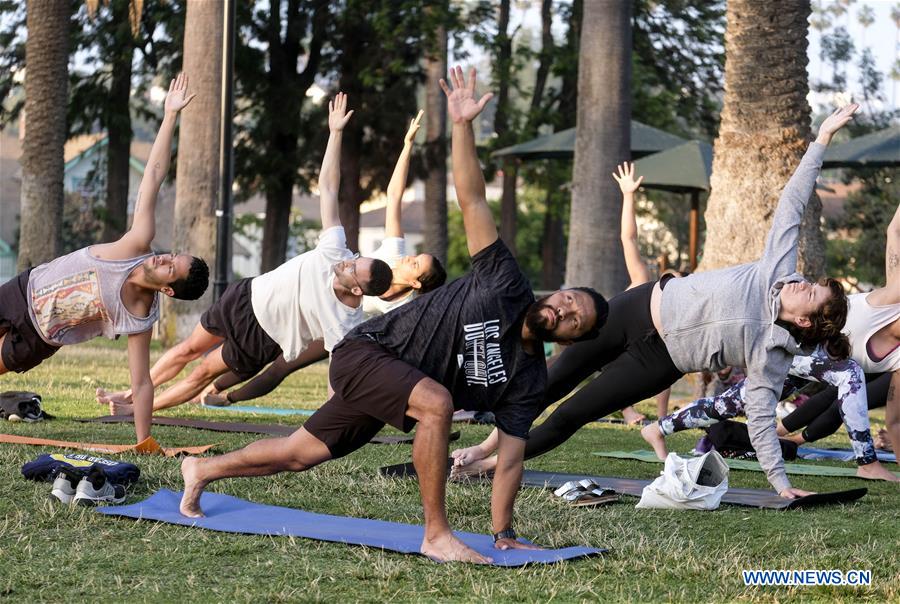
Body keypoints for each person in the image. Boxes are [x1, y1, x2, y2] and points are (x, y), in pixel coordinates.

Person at [177, 67, 608, 564]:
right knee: (437, 403)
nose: (564, 311)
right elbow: (471, 198)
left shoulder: (528, 382)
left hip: (392, 386)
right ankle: (436, 534)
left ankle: (200, 472)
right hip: (368, 354)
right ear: (558, 293)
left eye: (576, 320)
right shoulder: (504, 282)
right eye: (569, 299)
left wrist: (504, 530)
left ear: (572, 340)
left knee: (299, 453)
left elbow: (509, 459)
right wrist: (463, 128)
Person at [452, 104, 858, 498]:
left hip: (659, 362)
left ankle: (487, 468)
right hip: (638, 308)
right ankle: (485, 447)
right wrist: (821, 138)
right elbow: (793, 201)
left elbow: (762, 420)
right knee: (551, 378)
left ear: (806, 322)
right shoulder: (776, 270)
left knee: (571, 416)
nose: (801, 283)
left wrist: (781, 484)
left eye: (809, 292)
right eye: (809, 283)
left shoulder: (772, 357)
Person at [96, 93, 392, 414]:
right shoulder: (335, 250)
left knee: (202, 372)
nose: (346, 261)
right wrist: (334, 133)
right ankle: (130, 394)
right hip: (246, 295)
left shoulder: (345, 320)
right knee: (186, 350)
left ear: (357, 289)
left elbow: (340, 374)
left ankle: (137, 410)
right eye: (354, 257)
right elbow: (329, 187)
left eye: (352, 268)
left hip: (261, 337)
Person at [0, 74, 208, 444]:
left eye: (171, 268)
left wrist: (144, 441)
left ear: (170, 291)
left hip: (40, 336)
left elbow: (141, 382)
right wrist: (170, 116)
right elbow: (153, 178)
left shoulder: (139, 315)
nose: (163, 259)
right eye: (172, 255)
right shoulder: (137, 243)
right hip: (22, 291)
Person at [199, 110, 447, 407]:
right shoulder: (394, 254)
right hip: (316, 306)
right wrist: (408, 145)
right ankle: (209, 390)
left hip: (337, 329)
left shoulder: (403, 308)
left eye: (416, 264)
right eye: (414, 257)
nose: (409, 259)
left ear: (417, 283)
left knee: (283, 365)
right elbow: (394, 197)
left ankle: (228, 398)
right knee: (258, 354)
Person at [646, 201, 900, 481]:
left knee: (733, 402)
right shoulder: (892, 298)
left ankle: (658, 429)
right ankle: (866, 463)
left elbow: (894, 420)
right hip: (791, 338)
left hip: (804, 362)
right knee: (849, 373)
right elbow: (894, 230)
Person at [612, 161, 672, 424]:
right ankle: (627, 412)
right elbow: (629, 239)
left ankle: (661, 418)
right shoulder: (641, 283)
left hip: (637, 350)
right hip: (608, 340)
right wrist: (628, 195)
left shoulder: (672, 315)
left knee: (669, 358)